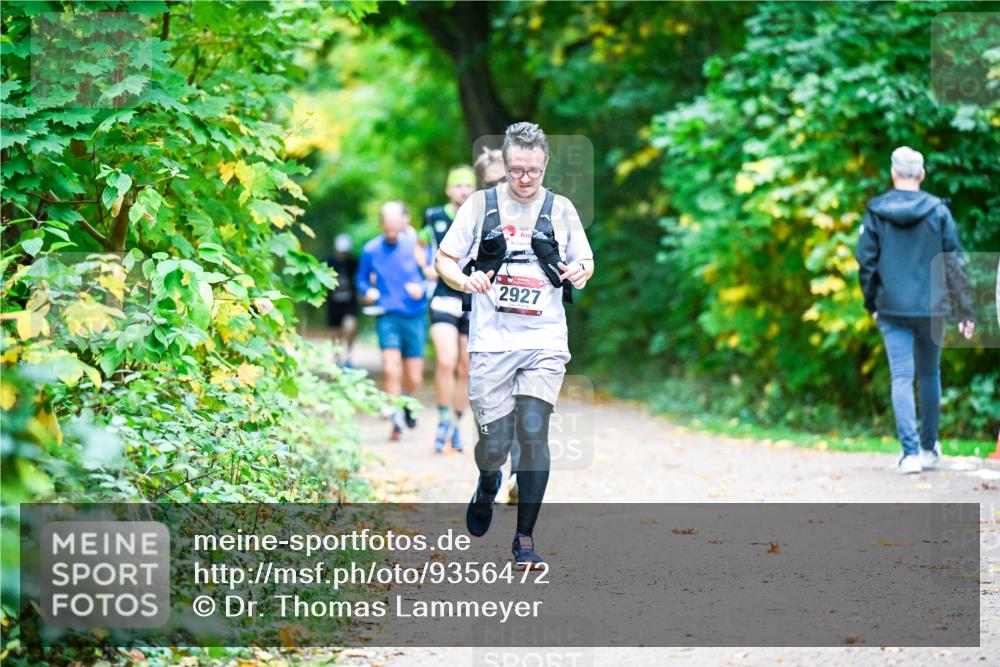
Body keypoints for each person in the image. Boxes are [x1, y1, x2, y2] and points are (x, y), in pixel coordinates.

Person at [435, 122, 594, 568]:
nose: (526, 179)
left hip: (545, 338)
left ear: (545, 165)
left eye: (534, 171)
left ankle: (524, 540)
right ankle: (489, 482)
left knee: (534, 431)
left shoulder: (561, 209)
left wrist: (582, 270)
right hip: (491, 341)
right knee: (494, 446)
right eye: (517, 170)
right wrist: (464, 280)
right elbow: (444, 259)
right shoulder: (479, 206)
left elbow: (584, 258)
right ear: (504, 165)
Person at [855, 146, 975, 475]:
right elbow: (955, 262)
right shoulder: (939, 211)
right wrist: (965, 310)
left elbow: (865, 263)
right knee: (929, 374)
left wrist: (872, 303)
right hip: (933, 309)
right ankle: (928, 449)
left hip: (892, 309)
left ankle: (909, 455)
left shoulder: (876, 212)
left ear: (893, 174)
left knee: (902, 376)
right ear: (921, 175)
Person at [357, 202, 430, 442]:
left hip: (415, 316)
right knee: (390, 368)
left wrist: (421, 289)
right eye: (386, 228)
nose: (390, 232)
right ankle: (396, 421)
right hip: (387, 315)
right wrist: (368, 291)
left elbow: (432, 274)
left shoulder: (417, 246)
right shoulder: (371, 249)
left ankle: (407, 401)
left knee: (414, 377)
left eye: (395, 227)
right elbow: (361, 281)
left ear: (404, 223)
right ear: (381, 224)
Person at [474, 147, 520, 504]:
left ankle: (518, 473)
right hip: (487, 327)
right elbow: (449, 263)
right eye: (492, 183)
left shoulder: (540, 211)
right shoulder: (474, 215)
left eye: (505, 179)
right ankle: (491, 472)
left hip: (527, 327)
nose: (501, 187)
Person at [422, 166, 477, 453]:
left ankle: (456, 424)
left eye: (468, 186)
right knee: (446, 360)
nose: (463, 191)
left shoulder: (483, 216)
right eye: (458, 186)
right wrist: (425, 266)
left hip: (473, 298)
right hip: (443, 295)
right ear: (448, 190)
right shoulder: (434, 216)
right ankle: (443, 419)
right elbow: (419, 243)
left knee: (465, 366)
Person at [324, 233, 359, 367]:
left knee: (350, 327)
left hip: (349, 303)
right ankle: (336, 357)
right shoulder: (329, 262)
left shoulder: (353, 263)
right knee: (335, 331)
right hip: (333, 303)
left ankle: (348, 358)